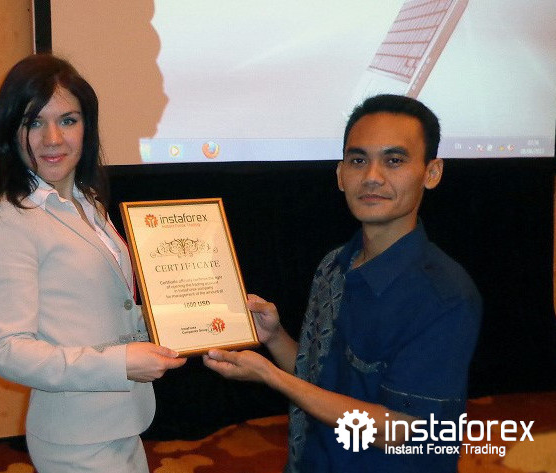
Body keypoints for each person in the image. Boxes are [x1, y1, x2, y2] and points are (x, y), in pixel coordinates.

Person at [203, 94, 482, 472]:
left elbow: (402, 431)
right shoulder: (335, 265)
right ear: (339, 174)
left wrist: (271, 377)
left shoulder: (444, 296)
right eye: (358, 160)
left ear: (431, 173)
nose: (372, 177)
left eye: (394, 160)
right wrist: (274, 337)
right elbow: (318, 379)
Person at [0, 54, 186, 473]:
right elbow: (7, 350)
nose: (52, 138)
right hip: (75, 438)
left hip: (122, 422)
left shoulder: (88, 203)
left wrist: (189, 318)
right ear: (11, 131)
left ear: (87, 126)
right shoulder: (7, 219)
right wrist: (121, 363)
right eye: (34, 122)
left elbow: (104, 308)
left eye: (68, 120)